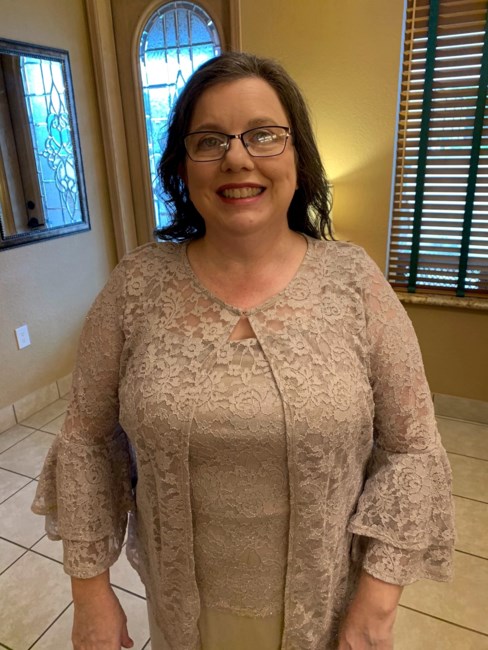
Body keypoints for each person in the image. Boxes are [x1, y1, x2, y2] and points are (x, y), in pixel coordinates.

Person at [32, 52, 455, 650]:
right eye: (209, 140)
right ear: (182, 168)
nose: (236, 157)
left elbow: (412, 450)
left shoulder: (354, 283)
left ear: (298, 158)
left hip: (327, 615)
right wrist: (90, 593)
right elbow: (86, 442)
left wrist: (378, 604)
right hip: (180, 613)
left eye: (263, 134)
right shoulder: (136, 287)